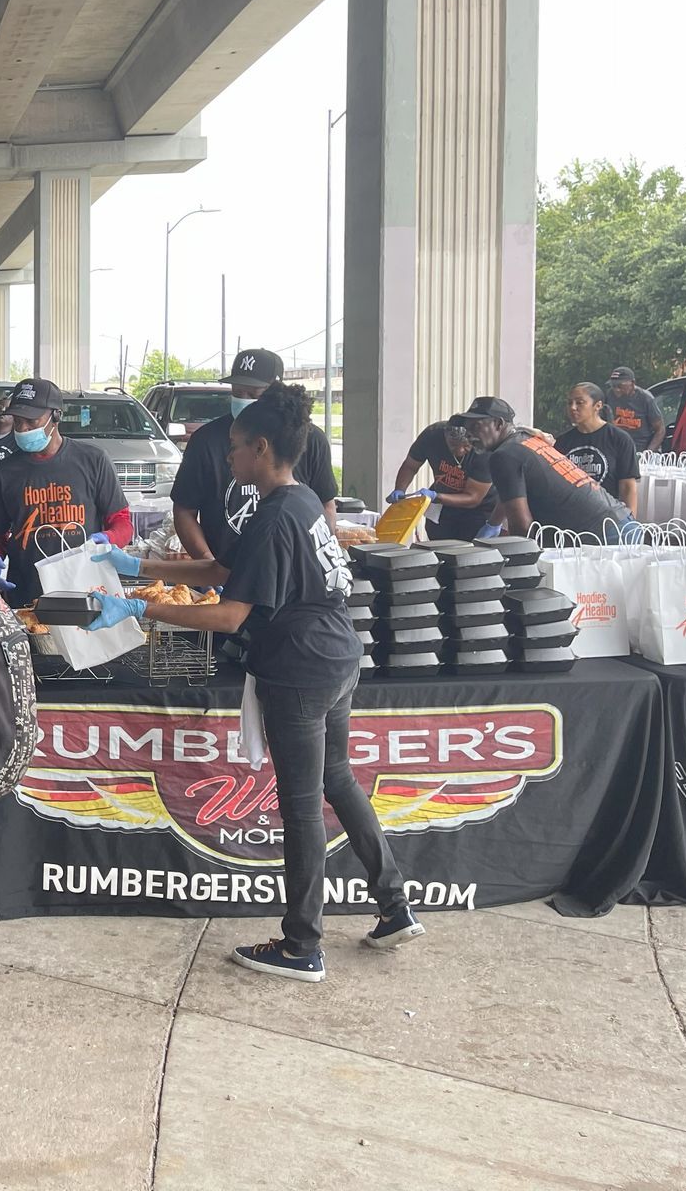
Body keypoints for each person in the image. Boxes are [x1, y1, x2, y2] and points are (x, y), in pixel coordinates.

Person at [84, 385, 422, 982]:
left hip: (300, 669)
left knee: (300, 805)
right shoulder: (299, 503)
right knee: (337, 779)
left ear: (262, 449)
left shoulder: (273, 517)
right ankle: (394, 905)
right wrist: (138, 568)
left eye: (237, 449)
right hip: (338, 656)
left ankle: (302, 945)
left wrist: (140, 610)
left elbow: (229, 614)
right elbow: (219, 570)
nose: (229, 459)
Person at [173, 348, 337, 565]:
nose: (243, 400)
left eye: (253, 394)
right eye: (237, 392)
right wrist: (209, 565)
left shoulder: (309, 440)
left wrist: (311, 562)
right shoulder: (205, 440)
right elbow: (184, 509)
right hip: (221, 572)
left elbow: (326, 506)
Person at [0, 376, 131, 608]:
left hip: (88, 593)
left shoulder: (93, 461)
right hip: (28, 594)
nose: (23, 428)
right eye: (18, 421)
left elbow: (122, 523)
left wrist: (109, 539)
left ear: (56, 416)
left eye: (31, 420)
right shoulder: (4, 472)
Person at [457, 396, 635, 541]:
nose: (470, 434)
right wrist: (493, 524)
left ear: (498, 424)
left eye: (476, 426)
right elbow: (511, 492)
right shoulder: (525, 439)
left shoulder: (504, 456)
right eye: (466, 429)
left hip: (602, 535)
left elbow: (522, 526)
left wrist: (520, 566)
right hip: (621, 522)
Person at [387, 416, 496, 540]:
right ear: (445, 437)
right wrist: (400, 489)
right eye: (454, 446)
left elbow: (473, 498)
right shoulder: (431, 436)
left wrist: (435, 496)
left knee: (468, 550)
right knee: (438, 543)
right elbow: (410, 466)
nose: (460, 451)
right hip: (442, 505)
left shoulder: (483, 449)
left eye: (466, 446)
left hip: (479, 508)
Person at [558, 383, 642, 513]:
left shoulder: (619, 439)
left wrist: (630, 525)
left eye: (580, 403)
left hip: (607, 517)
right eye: (570, 403)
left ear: (598, 406)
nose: (573, 408)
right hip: (571, 516)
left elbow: (627, 487)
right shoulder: (562, 442)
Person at [605, 367, 665, 453]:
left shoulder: (645, 399)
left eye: (620, 386)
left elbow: (660, 429)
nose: (616, 389)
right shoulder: (610, 395)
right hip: (618, 447)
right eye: (613, 386)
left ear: (632, 383)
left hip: (640, 448)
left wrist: (648, 453)